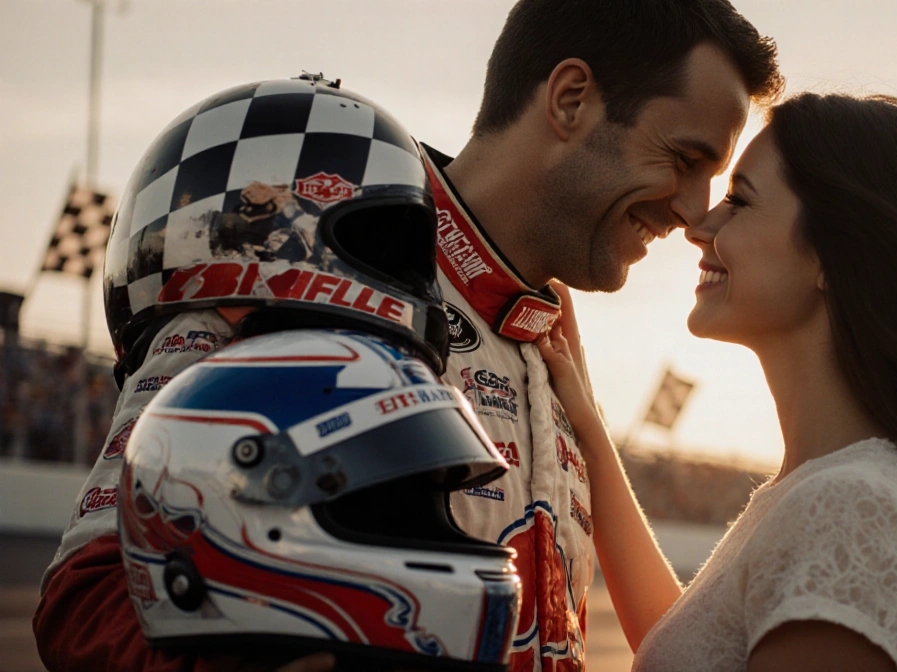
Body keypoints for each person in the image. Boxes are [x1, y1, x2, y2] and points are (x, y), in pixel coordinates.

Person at [36, 1, 785, 670]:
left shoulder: (557, 342)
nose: (695, 212)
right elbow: (92, 603)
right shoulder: (308, 243)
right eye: (686, 160)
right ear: (571, 99)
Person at [538, 93, 897, 672]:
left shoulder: (853, 508)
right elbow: (686, 647)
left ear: (833, 256)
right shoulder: (835, 487)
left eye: (739, 201)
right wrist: (589, 424)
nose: (699, 225)